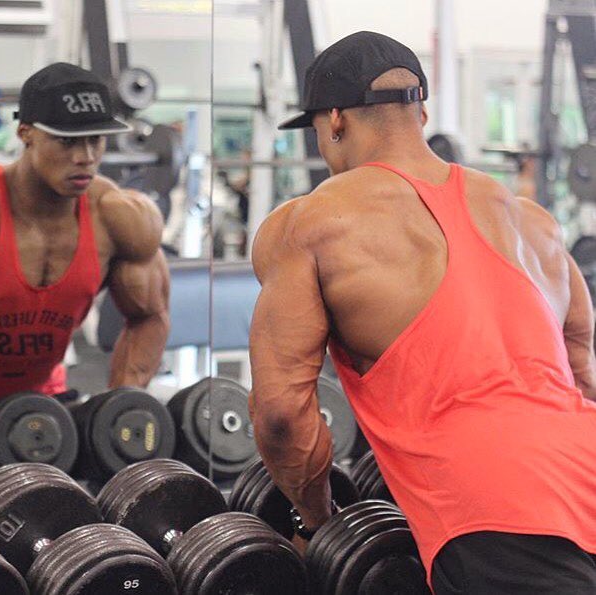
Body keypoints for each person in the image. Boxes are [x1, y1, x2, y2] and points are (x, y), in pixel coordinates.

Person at [249, 31, 596, 594]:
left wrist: (314, 523)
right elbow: (581, 377)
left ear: (334, 119)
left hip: (493, 513)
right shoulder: (532, 220)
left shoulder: (310, 223)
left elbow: (282, 414)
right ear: (421, 109)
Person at [0, 62, 170, 423]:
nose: (84, 157)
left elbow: (150, 317)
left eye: (95, 139)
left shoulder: (121, 218)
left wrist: (116, 412)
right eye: (66, 141)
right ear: (25, 133)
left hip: (36, 404)